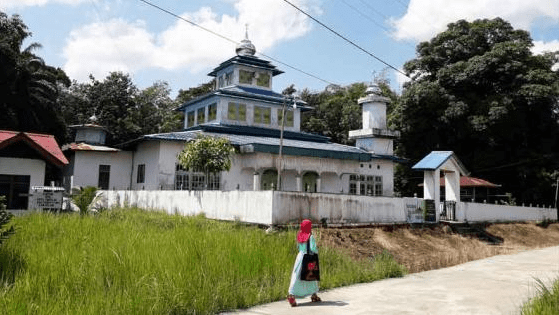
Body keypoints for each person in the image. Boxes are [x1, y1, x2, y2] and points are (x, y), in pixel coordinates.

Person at [287, 219, 321, 307]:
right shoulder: (311, 237)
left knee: (297, 276)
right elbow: (313, 249)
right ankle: (314, 295)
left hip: (300, 258)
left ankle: (292, 294)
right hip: (308, 258)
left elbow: (298, 247)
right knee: (310, 275)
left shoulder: (299, 235)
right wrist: (316, 251)